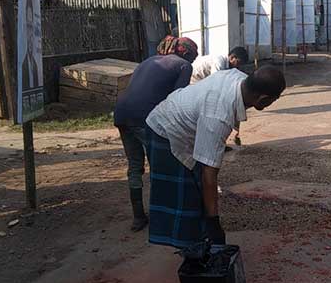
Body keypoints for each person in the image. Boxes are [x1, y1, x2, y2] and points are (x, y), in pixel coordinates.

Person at [145, 66, 286, 248]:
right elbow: (209, 174)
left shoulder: (239, 79)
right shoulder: (218, 115)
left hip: (182, 126)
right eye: (273, 101)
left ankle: (197, 241)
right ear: (263, 99)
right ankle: (190, 249)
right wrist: (214, 223)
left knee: (196, 190)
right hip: (165, 130)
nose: (271, 104)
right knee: (186, 197)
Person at [114, 36, 199, 232]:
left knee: (134, 166)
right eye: (193, 56)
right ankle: (161, 214)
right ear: (185, 53)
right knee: (160, 167)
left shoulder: (148, 61)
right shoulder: (184, 66)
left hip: (121, 114)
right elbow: (178, 99)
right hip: (145, 118)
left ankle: (138, 217)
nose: (193, 60)